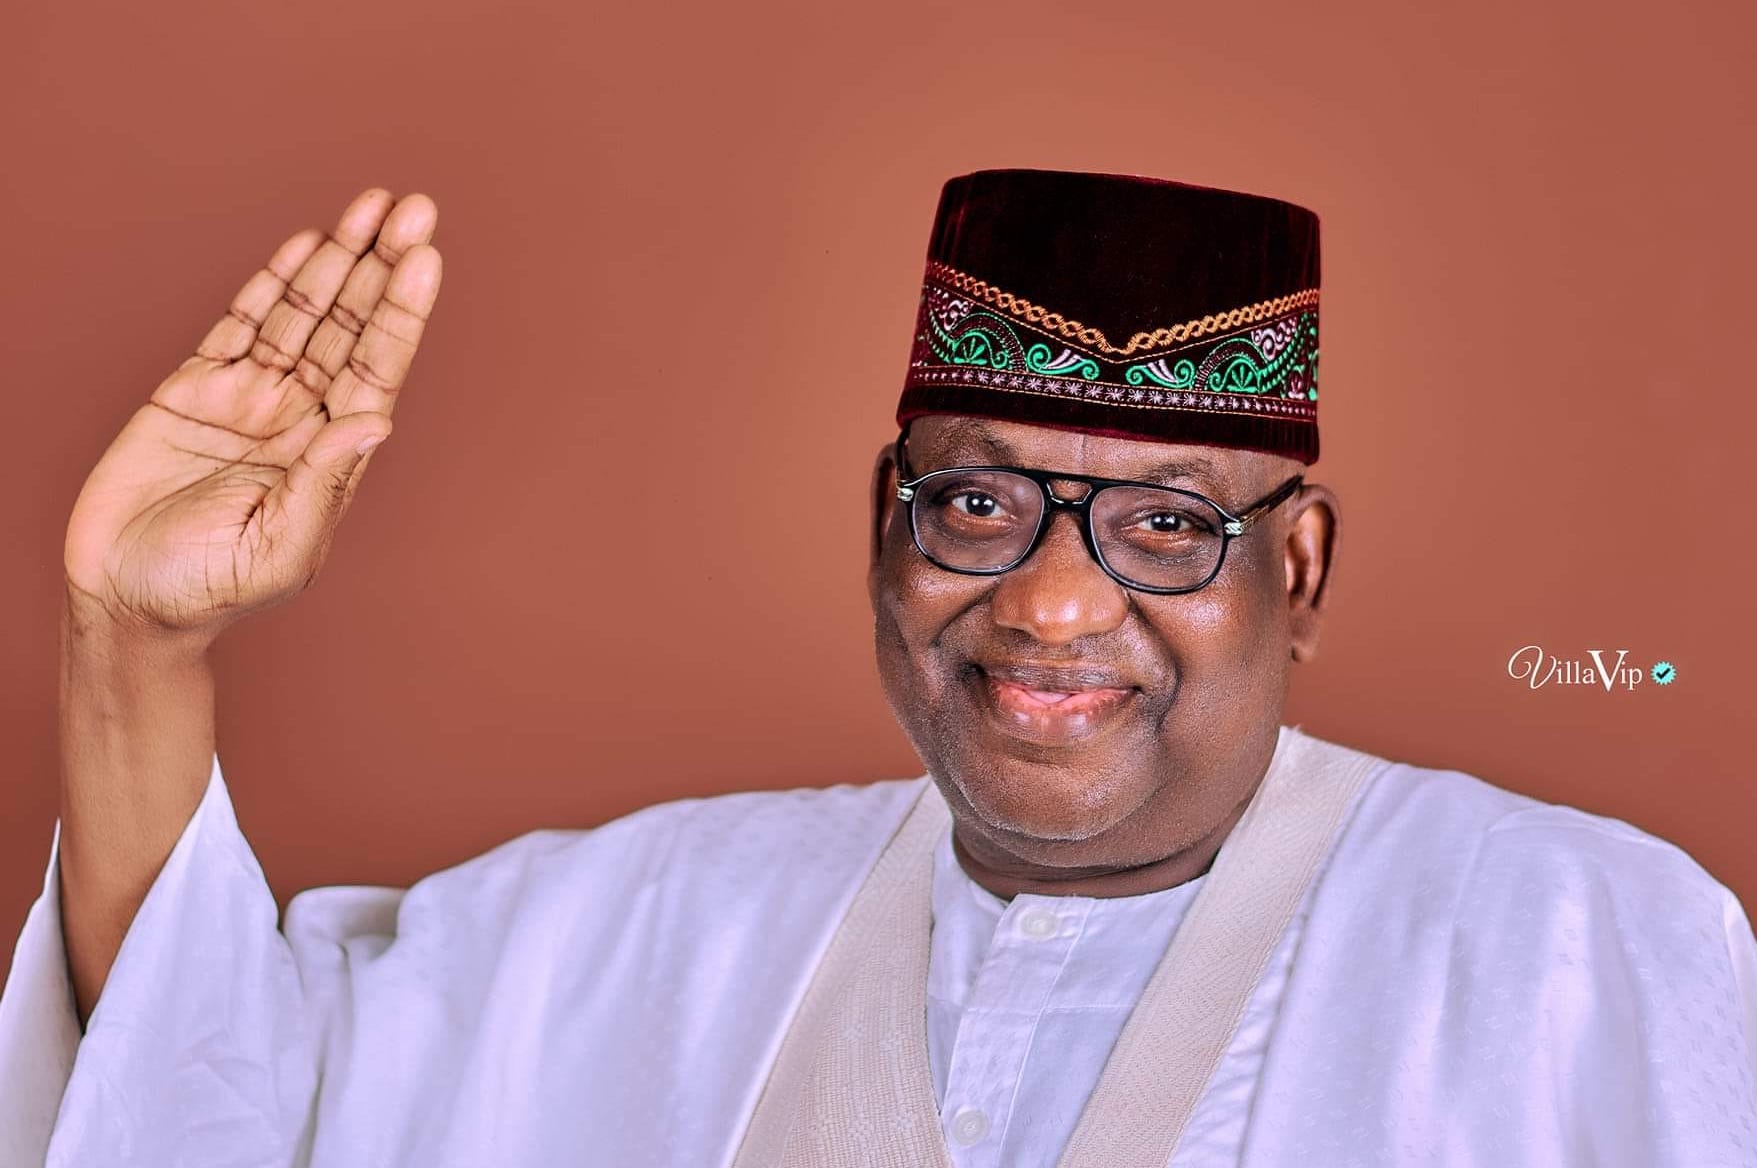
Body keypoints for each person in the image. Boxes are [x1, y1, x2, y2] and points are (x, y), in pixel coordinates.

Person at [2, 170, 1754, 1168]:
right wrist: (136, 640)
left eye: (1163, 525)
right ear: (883, 525)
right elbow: (194, 1105)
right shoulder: (631, 926)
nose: (1050, 607)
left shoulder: (1576, 943)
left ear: (1292, 574)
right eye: (977, 502)